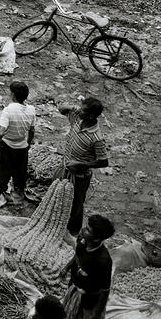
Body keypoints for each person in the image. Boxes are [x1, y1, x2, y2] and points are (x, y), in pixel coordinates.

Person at [61, 214, 114, 319]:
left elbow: (105, 290)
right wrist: (67, 267)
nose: (84, 230)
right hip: (75, 291)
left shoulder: (103, 261)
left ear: (97, 239)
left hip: (92, 299)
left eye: (89, 230)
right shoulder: (82, 241)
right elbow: (77, 256)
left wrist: (96, 315)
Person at [0, 82, 37, 208]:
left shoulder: (9, 110)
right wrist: (27, 143)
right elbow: (32, 131)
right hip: (22, 147)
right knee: (19, 173)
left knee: (2, 173)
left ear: (13, 95)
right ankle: (15, 197)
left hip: (7, 146)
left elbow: (0, 131)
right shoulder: (31, 110)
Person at [59, 98, 108, 235]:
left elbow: (103, 161)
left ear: (91, 116)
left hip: (79, 176)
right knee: (60, 197)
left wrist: (81, 164)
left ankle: (73, 231)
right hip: (65, 167)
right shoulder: (78, 119)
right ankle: (60, 222)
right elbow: (61, 108)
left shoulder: (96, 138)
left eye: (83, 110)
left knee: (76, 204)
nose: (79, 111)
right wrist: (74, 107)